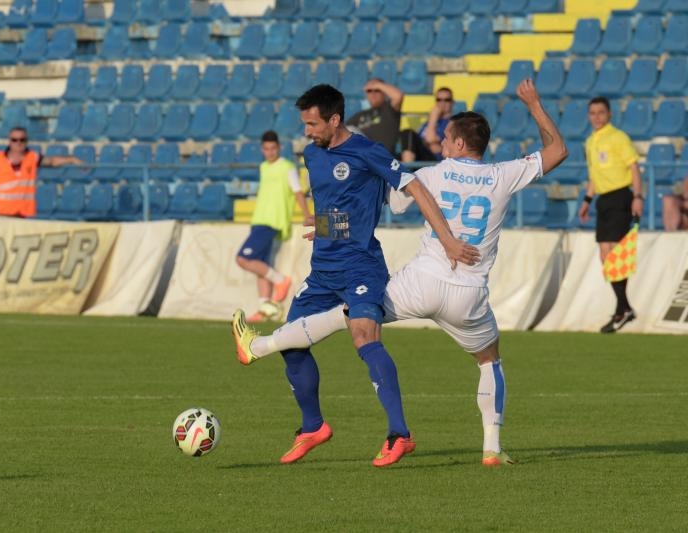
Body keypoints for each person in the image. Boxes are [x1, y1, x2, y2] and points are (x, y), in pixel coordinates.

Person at [233, 80, 568, 467]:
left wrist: (432, 232)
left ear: (459, 145)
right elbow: (558, 150)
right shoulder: (503, 174)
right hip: (469, 292)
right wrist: (534, 105)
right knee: (489, 361)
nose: (441, 144)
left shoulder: (434, 174)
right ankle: (491, 448)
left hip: (422, 282)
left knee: (349, 318)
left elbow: (386, 199)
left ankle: (258, 347)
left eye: (445, 139)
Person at [578, 97, 643, 333]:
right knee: (604, 256)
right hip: (603, 200)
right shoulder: (590, 141)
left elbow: (634, 168)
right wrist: (587, 200)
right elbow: (593, 176)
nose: (596, 117)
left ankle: (622, 309)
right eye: (592, 113)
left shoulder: (618, 137)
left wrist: (638, 196)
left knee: (614, 254)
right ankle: (623, 308)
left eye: (600, 112)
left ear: (609, 114)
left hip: (620, 196)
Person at [236, 130, 313, 322]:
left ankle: (281, 281)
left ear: (278, 148)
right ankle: (265, 309)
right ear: (262, 150)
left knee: (243, 259)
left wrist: (307, 215)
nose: (270, 152)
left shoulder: (287, 167)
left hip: (272, 221)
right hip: (258, 220)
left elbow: (297, 192)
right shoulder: (263, 167)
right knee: (260, 266)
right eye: (266, 149)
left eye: (273, 148)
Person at [0, 127, 82, 218]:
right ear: (9, 141)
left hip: (19, 216)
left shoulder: (33, 157)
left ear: (27, 141)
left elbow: (52, 161)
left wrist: (71, 159)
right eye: (14, 140)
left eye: (22, 139)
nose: (18, 143)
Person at [344, 78, 403, 154]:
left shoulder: (389, 108)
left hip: (381, 154)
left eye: (377, 90)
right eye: (369, 91)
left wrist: (378, 85)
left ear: (384, 93)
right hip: (362, 155)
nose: (373, 94)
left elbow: (398, 96)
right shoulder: (359, 115)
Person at [400, 87, 455, 164]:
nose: (442, 103)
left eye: (447, 100)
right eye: (439, 100)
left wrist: (433, 117)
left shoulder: (453, 124)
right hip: (421, 157)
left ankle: (406, 170)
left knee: (409, 134)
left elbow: (430, 141)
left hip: (436, 161)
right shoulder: (427, 123)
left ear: (452, 102)